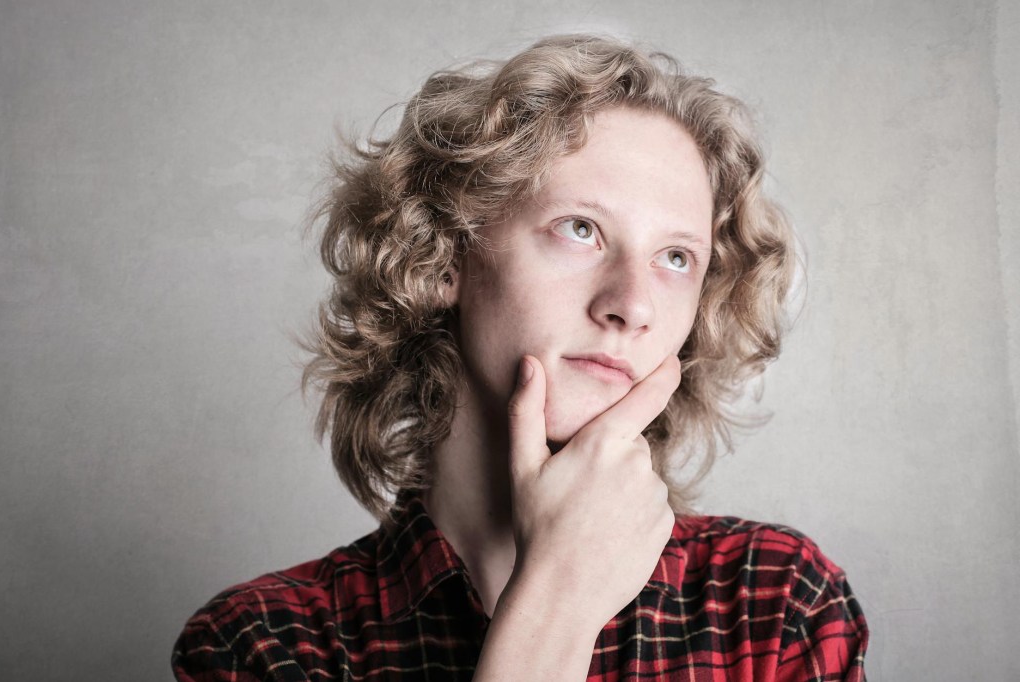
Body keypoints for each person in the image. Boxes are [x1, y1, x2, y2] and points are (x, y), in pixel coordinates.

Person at [172, 34, 868, 680]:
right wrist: (556, 604)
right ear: (447, 256)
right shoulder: (264, 645)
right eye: (580, 229)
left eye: (677, 258)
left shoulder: (775, 607)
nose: (633, 304)